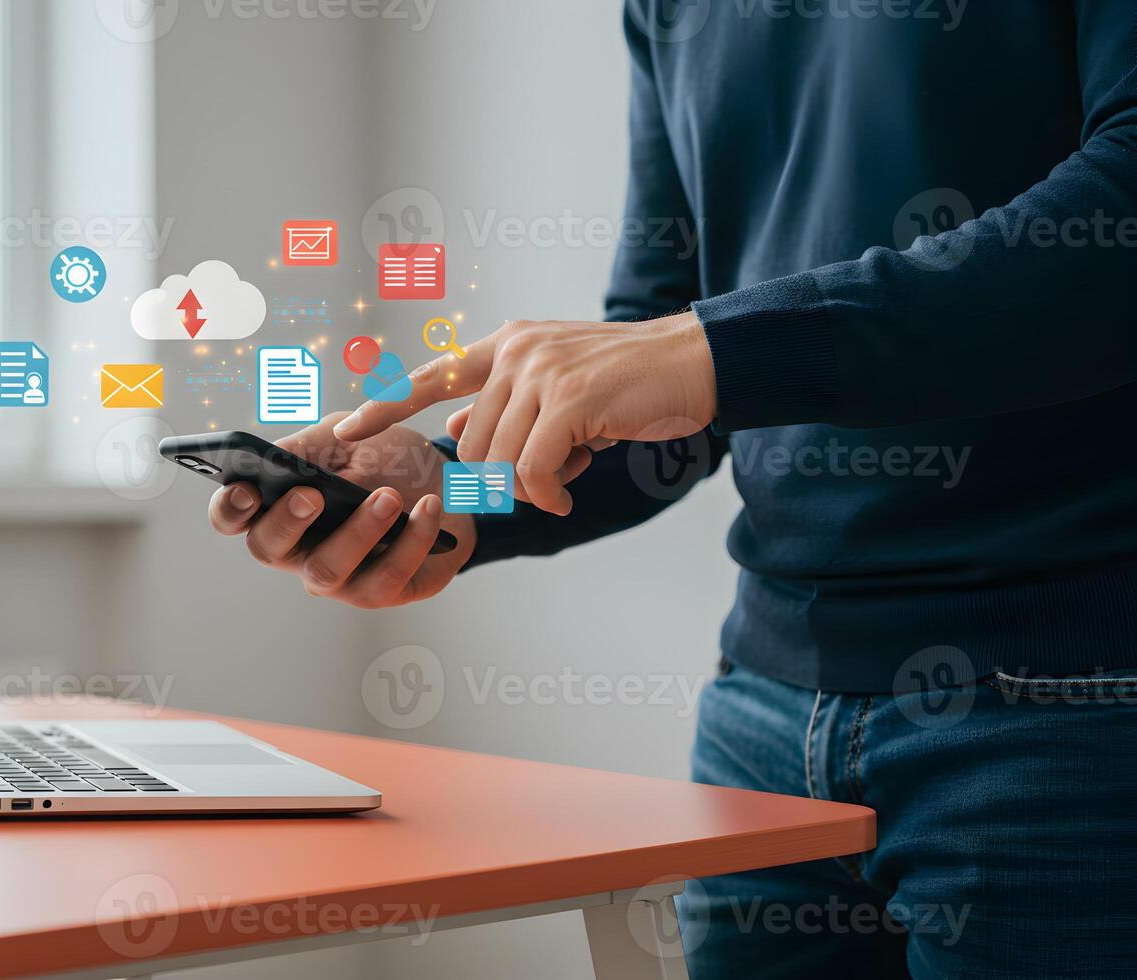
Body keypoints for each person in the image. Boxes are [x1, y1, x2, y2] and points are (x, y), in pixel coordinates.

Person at [209, 2, 1137, 975]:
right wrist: (448, 493)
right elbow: (662, 384)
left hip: (1068, 707)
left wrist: (705, 349)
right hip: (762, 721)